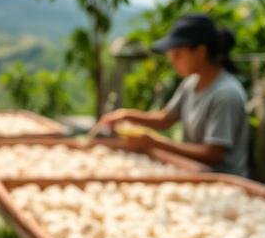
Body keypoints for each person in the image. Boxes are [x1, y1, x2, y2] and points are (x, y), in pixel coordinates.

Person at [97, 14, 249, 176]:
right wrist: (125, 115)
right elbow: (165, 119)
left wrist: (155, 142)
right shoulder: (190, 83)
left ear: (200, 52)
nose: (172, 61)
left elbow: (212, 154)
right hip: (191, 169)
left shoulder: (226, 95)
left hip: (221, 180)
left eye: (178, 54)